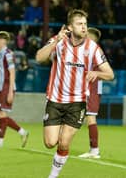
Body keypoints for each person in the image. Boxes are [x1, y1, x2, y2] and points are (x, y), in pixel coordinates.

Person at [36, 9, 114, 178]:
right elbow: (39, 57)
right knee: (50, 143)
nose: (84, 27)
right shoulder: (59, 42)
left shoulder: (93, 48)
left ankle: (53, 176)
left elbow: (110, 74)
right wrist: (55, 40)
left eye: (85, 24)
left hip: (77, 102)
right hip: (55, 100)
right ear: (70, 27)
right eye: (80, 24)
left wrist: (97, 73)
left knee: (64, 143)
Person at [0, 31, 29, 148]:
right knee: (0, 114)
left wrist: (10, 91)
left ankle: (2, 141)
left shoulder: (8, 54)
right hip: (0, 87)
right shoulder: (0, 54)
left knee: (2, 114)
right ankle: (21, 133)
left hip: (6, 87)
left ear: (3, 41)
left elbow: (12, 72)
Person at [78, 27, 103, 159]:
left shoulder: (94, 50)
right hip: (87, 88)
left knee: (91, 117)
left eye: (86, 35)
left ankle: (94, 150)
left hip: (92, 88)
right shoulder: (88, 50)